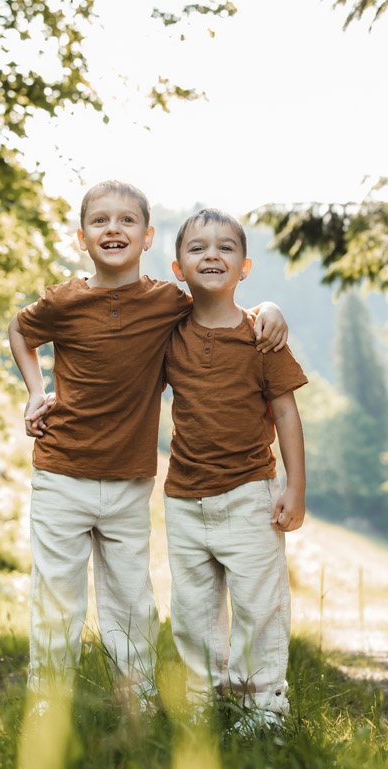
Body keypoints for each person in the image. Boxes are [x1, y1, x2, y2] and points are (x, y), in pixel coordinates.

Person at [8, 181, 288, 703]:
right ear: (82, 237)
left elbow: (218, 305)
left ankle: (133, 699)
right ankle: (48, 704)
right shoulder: (64, 300)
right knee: (56, 597)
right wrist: (34, 391)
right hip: (59, 473)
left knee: (130, 600)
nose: (113, 229)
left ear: (147, 237)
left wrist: (268, 306)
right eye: (100, 221)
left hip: (129, 482)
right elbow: (20, 330)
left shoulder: (167, 302)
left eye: (126, 221)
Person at [163, 208, 307, 730]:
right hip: (182, 498)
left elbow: (287, 411)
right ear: (178, 268)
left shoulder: (262, 335)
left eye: (226, 247)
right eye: (197, 247)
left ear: (244, 267)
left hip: (250, 494)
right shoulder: (169, 332)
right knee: (193, 611)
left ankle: (262, 706)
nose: (212, 255)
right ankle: (203, 702)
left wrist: (295, 485)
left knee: (258, 607)